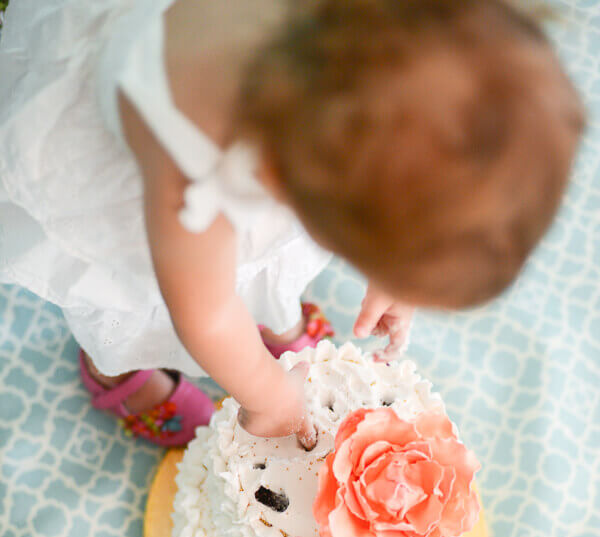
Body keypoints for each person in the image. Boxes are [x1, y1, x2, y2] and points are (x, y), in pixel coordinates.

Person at [0, 0, 584, 447]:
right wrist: (267, 395)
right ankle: (114, 370)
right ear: (280, 183)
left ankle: (272, 313)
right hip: (120, 177)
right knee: (126, 298)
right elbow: (200, 310)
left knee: (264, 265)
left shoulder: (350, 59)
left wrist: (397, 269)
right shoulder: (194, 168)